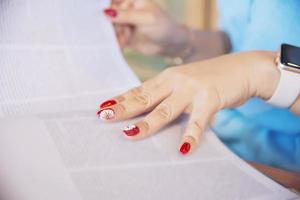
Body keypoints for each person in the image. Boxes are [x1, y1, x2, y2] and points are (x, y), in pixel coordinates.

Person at [99, 0, 300, 174]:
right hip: (226, 143)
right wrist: (185, 42)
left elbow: (247, 72)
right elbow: (241, 41)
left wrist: (260, 76)